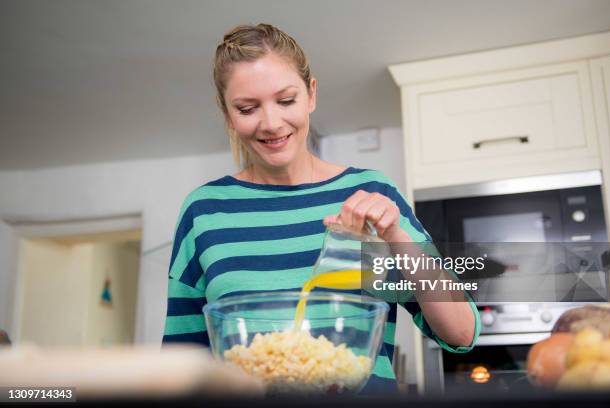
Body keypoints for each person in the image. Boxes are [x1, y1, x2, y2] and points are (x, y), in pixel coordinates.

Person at [163, 23, 479, 393]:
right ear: (227, 113)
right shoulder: (204, 212)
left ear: (311, 95)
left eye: (285, 100)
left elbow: (461, 331)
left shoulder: (373, 193)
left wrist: (396, 237)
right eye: (247, 108)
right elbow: (182, 364)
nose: (271, 123)